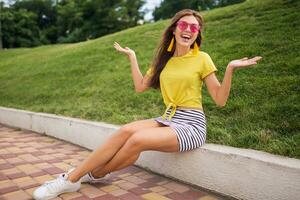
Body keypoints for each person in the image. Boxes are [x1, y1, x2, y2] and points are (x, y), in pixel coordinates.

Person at [33, 9, 262, 200]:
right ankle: (78, 177)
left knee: (137, 139)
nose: (188, 30)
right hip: (168, 118)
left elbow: (220, 100)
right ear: (174, 28)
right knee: (125, 130)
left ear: (197, 34)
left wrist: (230, 69)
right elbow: (141, 87)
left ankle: (79, 176)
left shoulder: (202, 58)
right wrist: (132, 58)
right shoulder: (164, 60)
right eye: (184, 25)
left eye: (194, 28)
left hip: (192, 124)